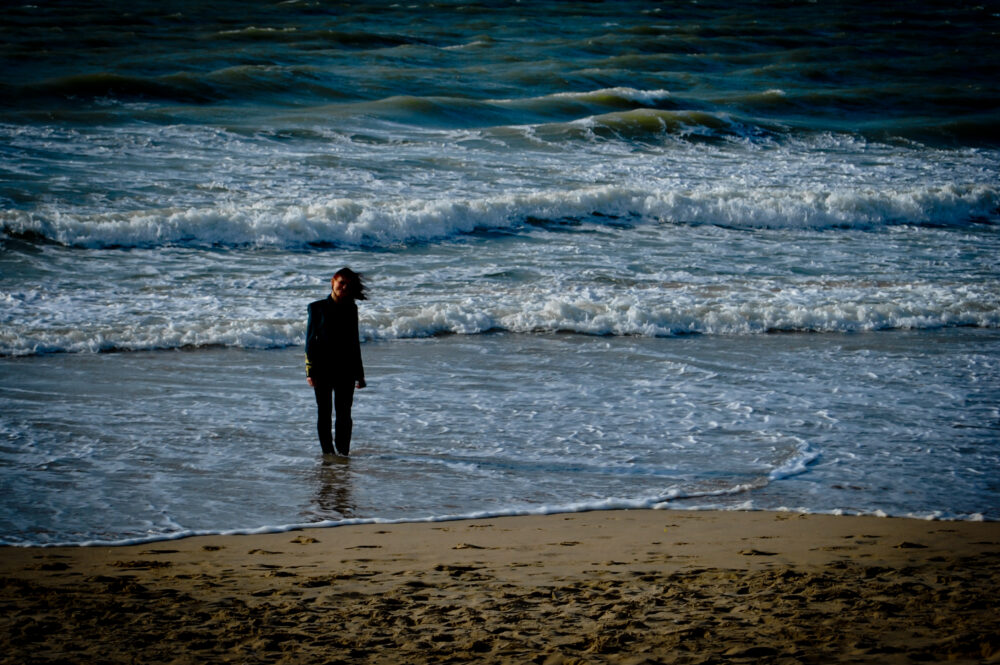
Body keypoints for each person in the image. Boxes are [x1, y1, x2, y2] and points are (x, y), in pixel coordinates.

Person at [305, 268, 367, 456]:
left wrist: (360, 375)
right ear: (333, 281)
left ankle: (343, 454)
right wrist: (309, 371)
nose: (345, 287)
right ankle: (328, 454)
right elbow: (309, 342)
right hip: (322, 369)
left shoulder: (351, 309)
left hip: (346, 369)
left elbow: (354, 342)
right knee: (324, 414)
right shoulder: (316, 308)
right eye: (342, 283)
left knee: (344, 415)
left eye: (348, 285)